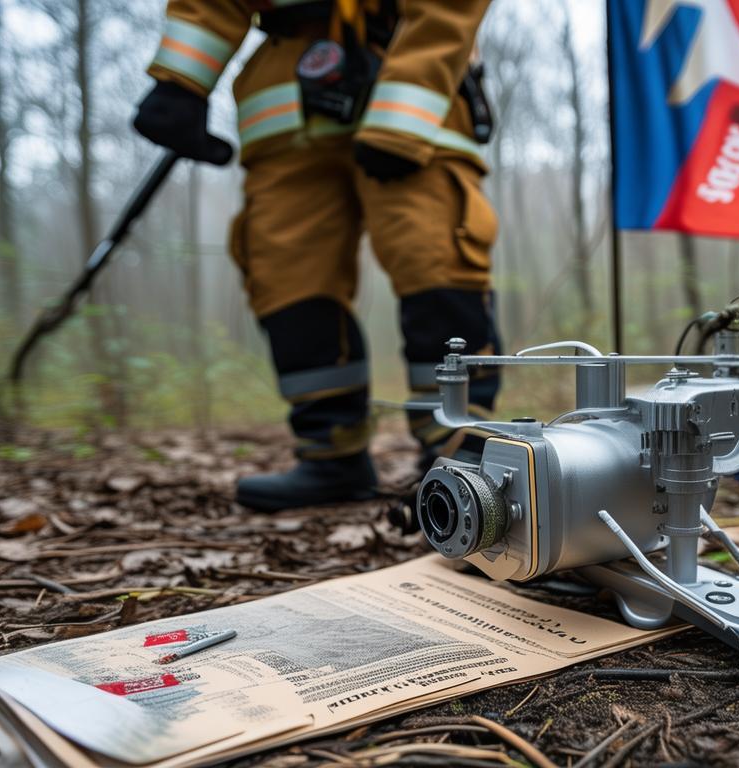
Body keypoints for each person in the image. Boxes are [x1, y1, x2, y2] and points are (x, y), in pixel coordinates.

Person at [133, 0, 502, 512]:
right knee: (288, 276)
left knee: (435, 259)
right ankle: (331, 454)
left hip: (410, 69)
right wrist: (181, 81)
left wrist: (402, 119)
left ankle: (461, 458)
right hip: (284, 98)